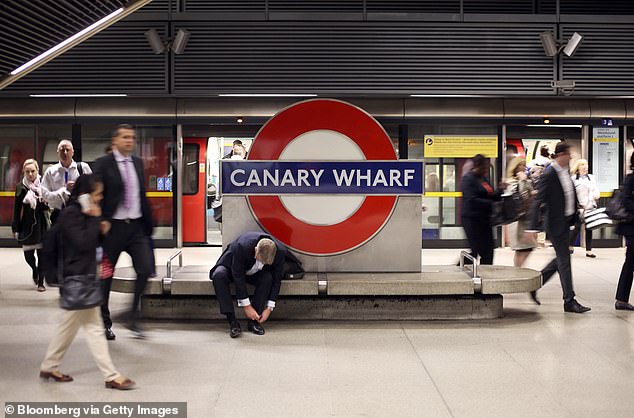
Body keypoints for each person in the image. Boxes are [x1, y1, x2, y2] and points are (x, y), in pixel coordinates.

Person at [39, 174, 135, 390]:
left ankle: (49, 365)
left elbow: (91, 242)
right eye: (97, 194)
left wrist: (99, 228)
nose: (100, 198)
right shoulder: (71, 214)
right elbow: (83, 243)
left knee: (70, 326)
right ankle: (111, 375)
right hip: (76, 277)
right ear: (86, 195)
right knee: (93, 328)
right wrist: (94, 220)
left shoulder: (81, 214)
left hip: (84, 277)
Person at [93, 124, 154, 339]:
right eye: (125, 137)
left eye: (132, 137)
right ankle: (105, 322)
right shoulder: (103, 164)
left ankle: (132, 314)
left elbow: (141, 194)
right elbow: (93, 193)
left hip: (136, 228)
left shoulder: (137, 163)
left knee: (146, 268)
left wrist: (149, 223)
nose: (130, 141)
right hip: (112, 230)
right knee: (106, 278)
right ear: (115, 141)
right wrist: (100, 220)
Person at [528, 142, 590, 313]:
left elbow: (568, 194)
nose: (570, 157)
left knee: (561, 260)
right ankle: (569, 300)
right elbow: (538, 200)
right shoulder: (549, 173)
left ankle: (535, 284)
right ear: (561, 155)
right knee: (564, 260)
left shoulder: (564, 171)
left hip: (568, 222)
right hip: (555, 224)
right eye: (568, 154)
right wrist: (531, 227)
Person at [209, 232, 286, 338]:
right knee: (218, 276)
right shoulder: (242, 246)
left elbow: (277, 280)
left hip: (254, 273)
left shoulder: (280, 252)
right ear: (255, 250)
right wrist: (247, 306)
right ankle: (232, 322)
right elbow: (238, 276)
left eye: (265, 263)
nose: (262, 264)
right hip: (232, 266)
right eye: (261, 260)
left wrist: (269, 308)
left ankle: (254, 321)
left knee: (267, 278)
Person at [12, 159, 50, 291]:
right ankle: (34, 269)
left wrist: (46, 201)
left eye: (32, 171)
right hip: (27, 225)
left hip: (42, 223)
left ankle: (41, 282)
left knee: (42, 255)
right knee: (28, 256)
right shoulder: (20, 187)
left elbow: (51, 204)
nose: (30, 174)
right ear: (23, 172)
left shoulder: (44, 185)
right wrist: (15, 227)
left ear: (37, 171)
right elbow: (16, 209)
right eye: (27, 171)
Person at [460, 154, 500, 265]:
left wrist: (500, 191)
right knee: (475, 250)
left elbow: (490, 194)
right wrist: (492, 204)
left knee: (488, 251)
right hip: (472, 219)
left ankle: (485, 273)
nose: (485, 170)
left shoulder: (483, 179)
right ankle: (458, 271)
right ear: (477, 166)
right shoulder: (468, 179)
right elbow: (471, 199)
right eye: (484, 168)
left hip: (485, 220)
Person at [41, 139, 92, 224]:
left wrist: (79, 190)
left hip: (79, 213)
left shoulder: (83, 168)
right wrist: (62, 191)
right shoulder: (50, 171)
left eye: (67, 150)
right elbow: (44, 195)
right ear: (57, 152)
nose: (65, 153)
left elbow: (93, 189)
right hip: (58, 214)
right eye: (62, 150)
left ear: (72, 152)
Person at [505, 157, 536, 267]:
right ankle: (518, 270)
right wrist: (523, 181)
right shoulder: (511, 182)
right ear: (516, 167)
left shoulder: (524, 180)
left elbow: (532, 194)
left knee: (523, 249)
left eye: (524, 165)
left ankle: (518, 270)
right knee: (523, 248)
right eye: (522, 165)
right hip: (517, 221)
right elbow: (522, 196)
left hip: (524, 219)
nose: (524, 167)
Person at [614, 153, 634, 311]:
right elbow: (626, 200)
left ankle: (621, 299)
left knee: (630, 262)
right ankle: (621, 299)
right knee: (630, 262)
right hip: (632, 227)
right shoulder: (630, 178)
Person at [569, 159, 600, 258]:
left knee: (589, 228)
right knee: (577, 227)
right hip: (580, 207)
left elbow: (596, 190)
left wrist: (596, 196)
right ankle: (570, 245)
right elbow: (572, 194)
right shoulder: (574, 179)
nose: (585, 167)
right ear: (578, 167)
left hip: (590, 206)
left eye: (586, 165)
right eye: (583, 165)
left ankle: (589, 250)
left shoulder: (591, 178)